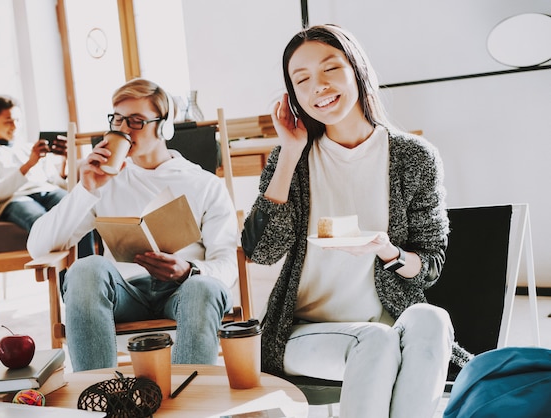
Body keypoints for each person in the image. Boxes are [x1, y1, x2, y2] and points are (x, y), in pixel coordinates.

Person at [241, 25, 472, 418]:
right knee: (376, 342)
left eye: (331, 69)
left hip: (390, 321)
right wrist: (290, 152)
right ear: (294, 95)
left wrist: (387, 251)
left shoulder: (413, 157)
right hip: (302, 331)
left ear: (357, 70)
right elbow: (261, 252)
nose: (318, 86)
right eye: (302, 79)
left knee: (432, 318)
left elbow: (429, 265)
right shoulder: (292, 160)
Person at [27, 78, 238, 372]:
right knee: (85, 268)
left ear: (164, 126)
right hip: (123, 294)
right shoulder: (105, 182)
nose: (124, 129)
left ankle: (190, 407)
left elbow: (229, 261)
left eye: (136, 121)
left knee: (204, 288)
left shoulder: (204, 184)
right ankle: (99, 398)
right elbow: (36, 246)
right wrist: (85, 190)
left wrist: (189, 270)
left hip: (185, 293)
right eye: (118, 120)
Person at [0, 96, 69, 232]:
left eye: (18, 120)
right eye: (8, 121)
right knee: (41, 222)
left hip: (47, 191)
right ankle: (59, 251)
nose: (15, 126)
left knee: (79, 211)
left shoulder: (32, 148)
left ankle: (86, 254)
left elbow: (58, 183)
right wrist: (29, 164)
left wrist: (66, 159)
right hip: (16, 199)